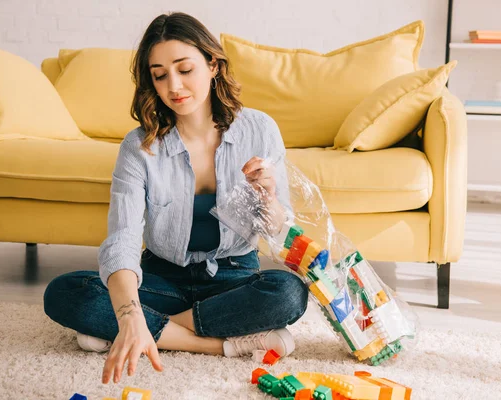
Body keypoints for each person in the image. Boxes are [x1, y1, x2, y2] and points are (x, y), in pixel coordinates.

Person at [43, 12, 308, 385]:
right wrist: (130, 312)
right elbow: (122, 240)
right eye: (160, 74)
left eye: (185, 69)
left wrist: (268, 197)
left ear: (213, 65)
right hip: (162, 278)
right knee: (67, 293)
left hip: (233, 276)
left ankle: (136, 332)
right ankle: (222, 344)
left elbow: (282, 230)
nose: (174, 86)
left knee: (288, 294)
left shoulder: (259, 129)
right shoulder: (140, 146)